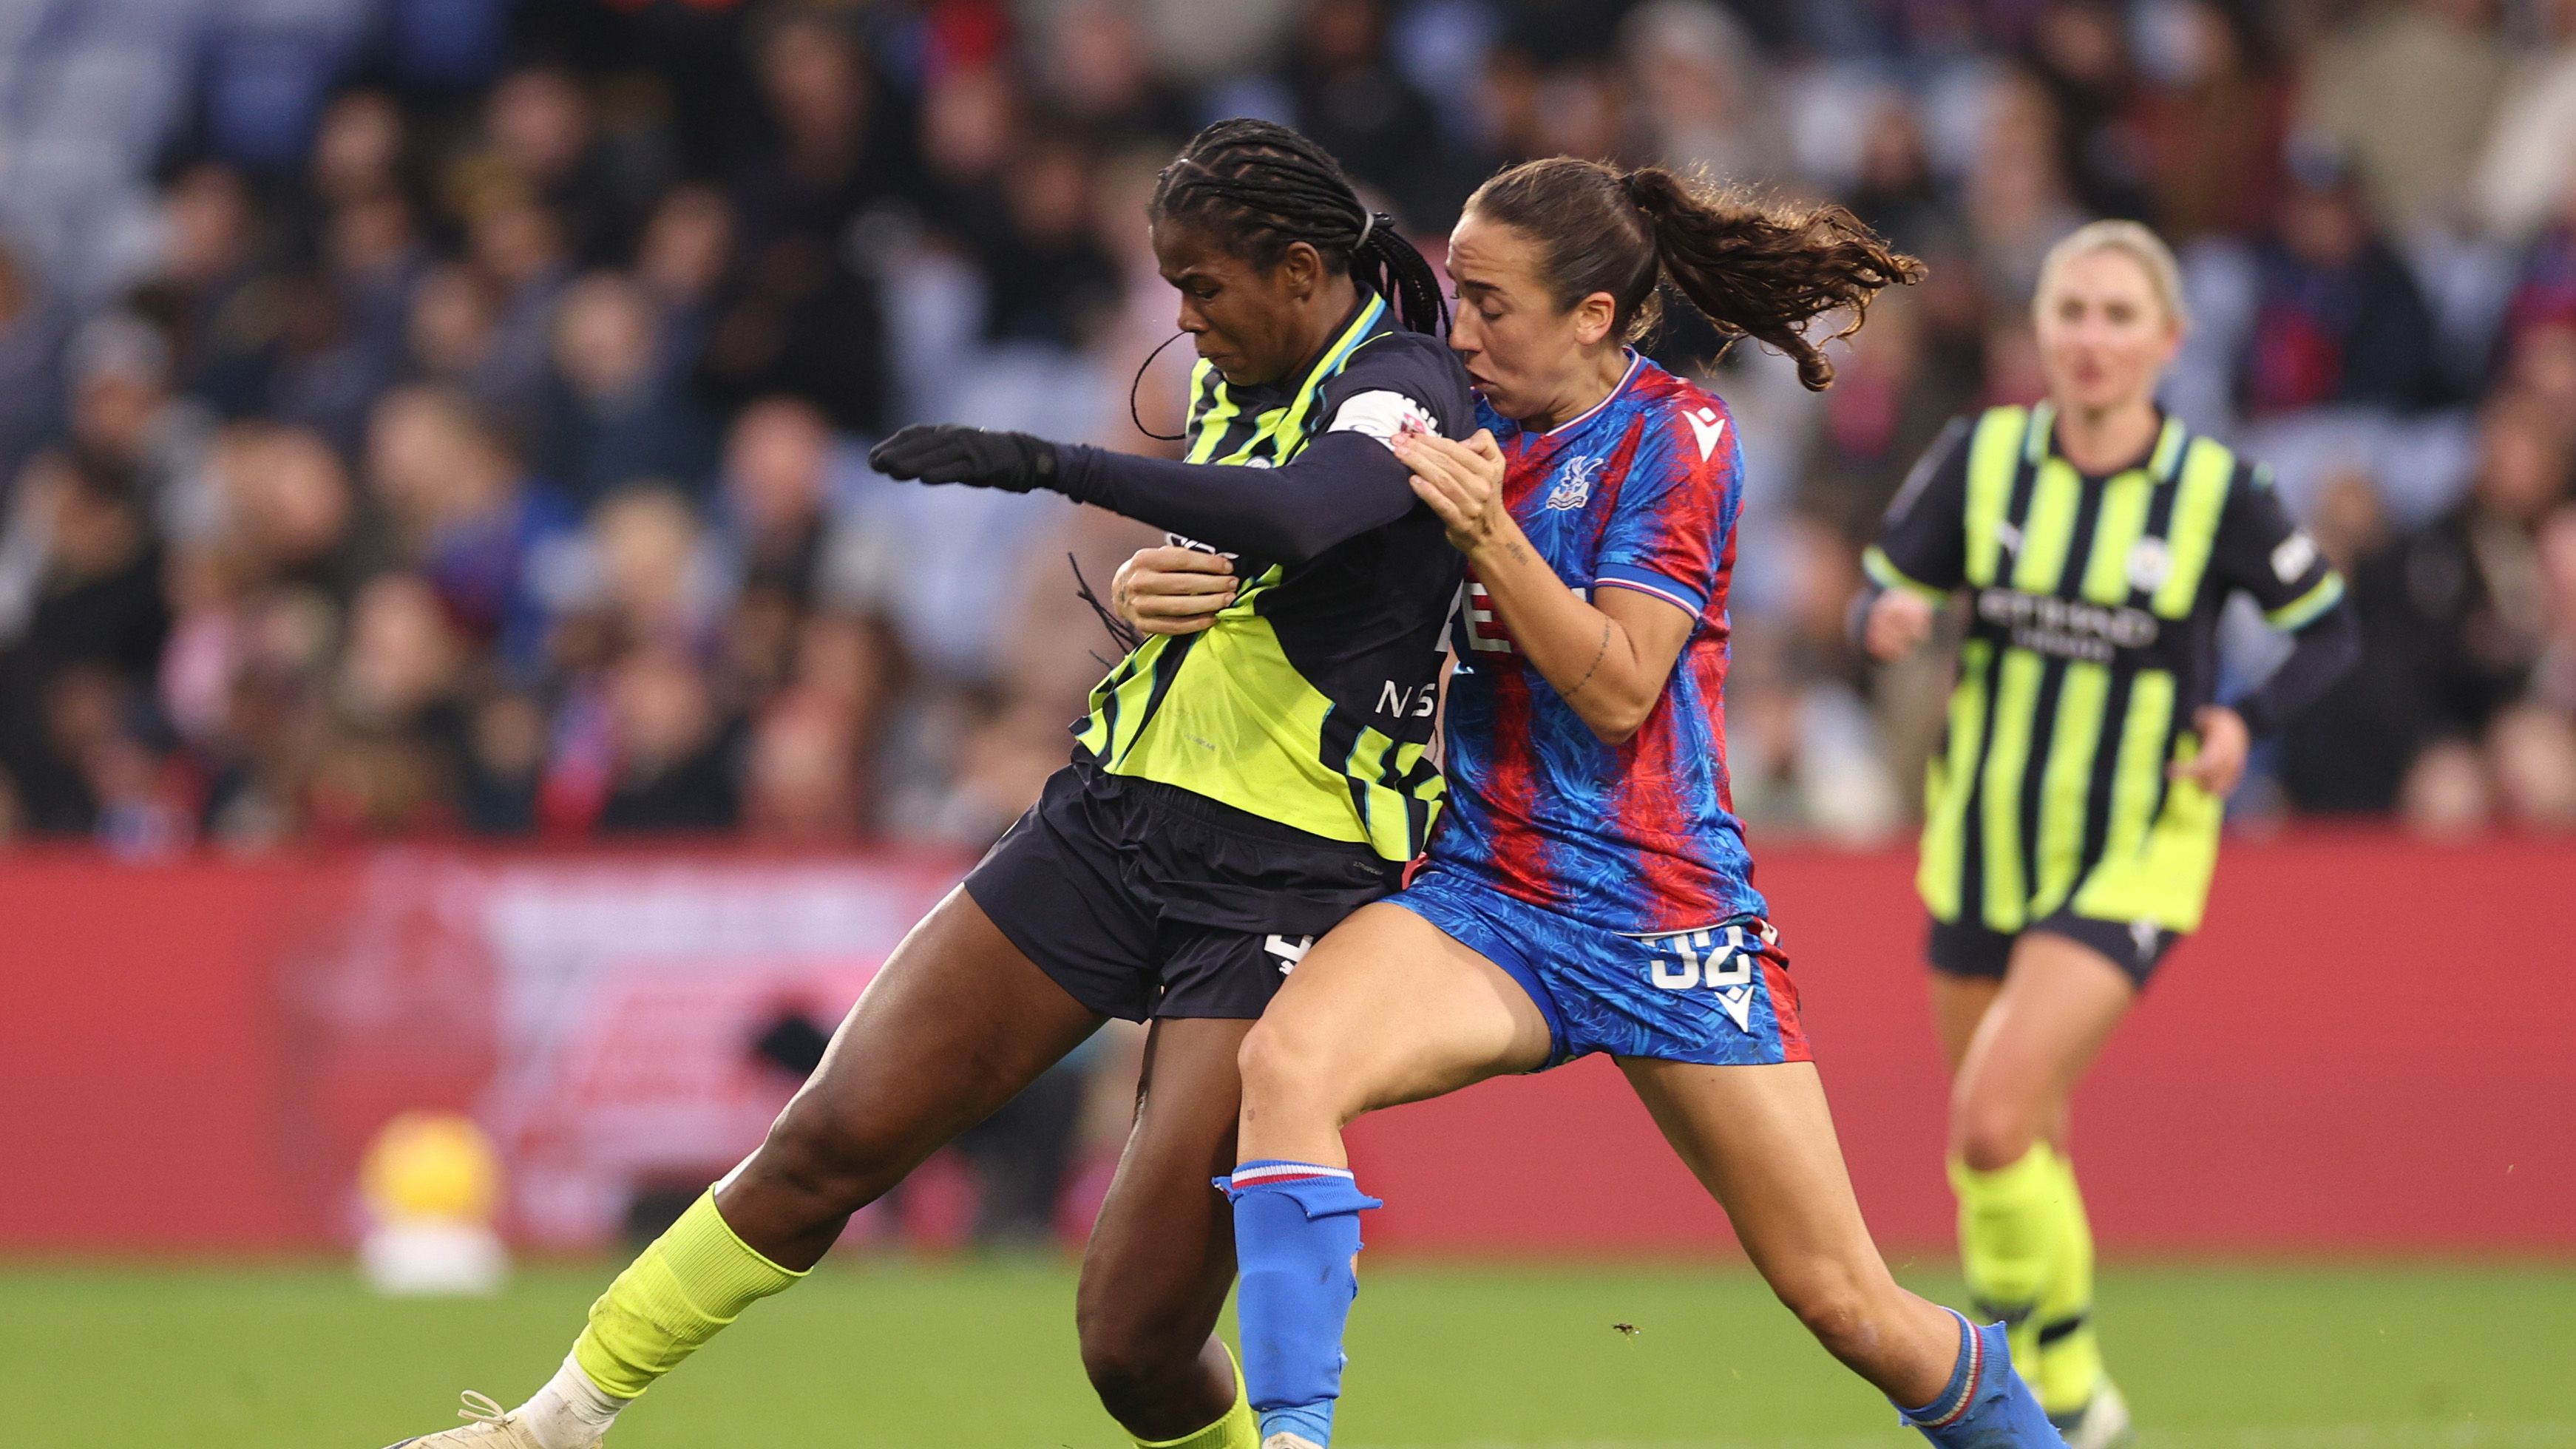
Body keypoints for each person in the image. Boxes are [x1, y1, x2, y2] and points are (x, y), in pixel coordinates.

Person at [382, 118, 1471, 1449]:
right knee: (825, 1142)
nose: (1185, 321)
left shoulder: (1408, 379)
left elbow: (1307, 513)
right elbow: (1276, 579)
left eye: (1203, 288)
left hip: (1284, 885)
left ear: (1302, 272)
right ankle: (547, 1426)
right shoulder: (1237, 381)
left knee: (1135, 1347)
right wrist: (1154, 590)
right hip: (1114, 822)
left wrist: (1053, 463)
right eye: (1173, 289)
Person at [1127, 157, 2064, 1449]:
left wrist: (1489, 534)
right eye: (1454, 294)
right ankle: (1294, 1438)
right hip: (1485, 896)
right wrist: (1181, 581)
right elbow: (1302, 546)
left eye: (1491, 304)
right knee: (1284, 1065)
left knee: (1848, 1306)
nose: (1459, 332)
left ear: (1594, 317)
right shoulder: (1440, 415)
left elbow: (1622, 691)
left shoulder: (1679, 438)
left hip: (1663, 916)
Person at [1857, 220, 2360, 1449]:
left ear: (2169, 340)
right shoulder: (1982, 457)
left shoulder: (2216, 490)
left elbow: (2328, 630)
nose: (2092, 338)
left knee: (1990, 1124)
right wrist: (1889, 618)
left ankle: (2047, 1385)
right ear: (2040, 330)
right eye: (2072, 312)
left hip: (2133, 844)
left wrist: (2243, 719)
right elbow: (1888, 581)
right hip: (1982, 837)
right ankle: (2065, 1389)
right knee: (2018, 1137)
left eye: (2119, 315)